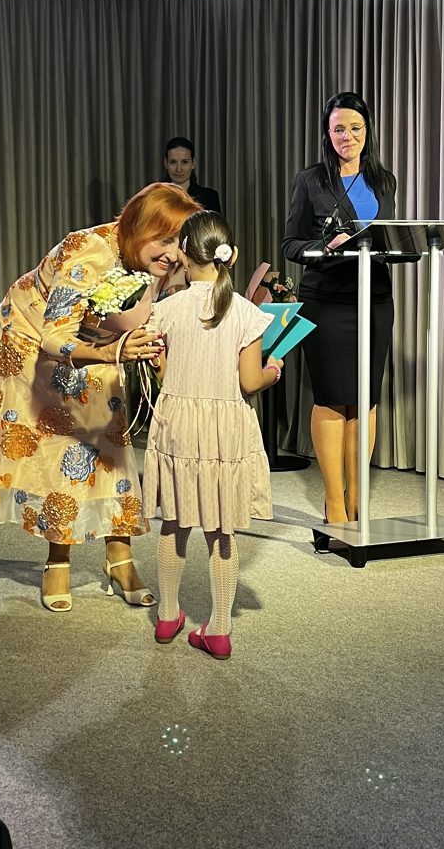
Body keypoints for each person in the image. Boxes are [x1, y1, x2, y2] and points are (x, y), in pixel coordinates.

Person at [0, 182, 201, 612]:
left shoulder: (159, 260)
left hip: (99, 340)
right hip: (32, 341)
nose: (171, 254)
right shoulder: (87, 250)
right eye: (163, 240)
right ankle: (58, 560)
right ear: (139, 226)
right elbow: (55, 338)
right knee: (60, 447)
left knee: (110, 440)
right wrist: (112, 351)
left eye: (177, 243)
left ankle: (120, 558)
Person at [142, 210, 283, 659]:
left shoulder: (166, 309)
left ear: (183, 254)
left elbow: (163, 375)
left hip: (179, 427)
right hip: (225, 432)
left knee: (174, 522)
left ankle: (168, 615)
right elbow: (249, 381)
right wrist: (274, 371)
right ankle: (219, 628)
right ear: (231, 255)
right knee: (222, 530)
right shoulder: (246, 312)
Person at [282, 92, 397, 525]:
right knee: (333, 400)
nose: (347, 136)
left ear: (367, 131)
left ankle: (356, 497)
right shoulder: (310, 181)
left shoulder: (384, 180)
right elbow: (291, 244)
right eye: (338, 129)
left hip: (375, 299)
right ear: (327, 134)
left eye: (355, 128)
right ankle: (334, 501)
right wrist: (324, 246)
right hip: (326, 302)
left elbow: (387, 235)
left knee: (365, 400)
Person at [163, 136, 222, 213]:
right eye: (173, 162)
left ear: (193, 163)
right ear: (166, 163)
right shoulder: (153, 197)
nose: (179, 169)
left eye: (185, 162)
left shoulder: (210, 197)